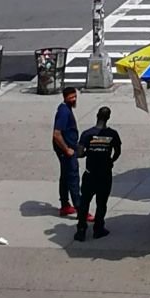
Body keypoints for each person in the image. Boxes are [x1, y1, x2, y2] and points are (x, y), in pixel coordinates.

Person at [72, 106, 121, 242]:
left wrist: (89, 152)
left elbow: (80, 153)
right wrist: (110, 160)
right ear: (108, 118)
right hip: (105, 174)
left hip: (90, 174)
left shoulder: (87, 134)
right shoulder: (113, 134)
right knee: (102, 203)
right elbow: (117, 152)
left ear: (97, 115)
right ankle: (98, 229)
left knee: (85, 203)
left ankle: (81, 230)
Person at [51, 85, 80, 218]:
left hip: (67, 149)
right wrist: (67, 149)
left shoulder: (66, 109)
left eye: (75, 96)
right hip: (66, 150)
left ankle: (65, 205)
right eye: (71, 97)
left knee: (65, 177)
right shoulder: (64, 112)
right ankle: (81, 209)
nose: (73, 99)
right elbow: (57, 134)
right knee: (73, 178)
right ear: (65, 97)